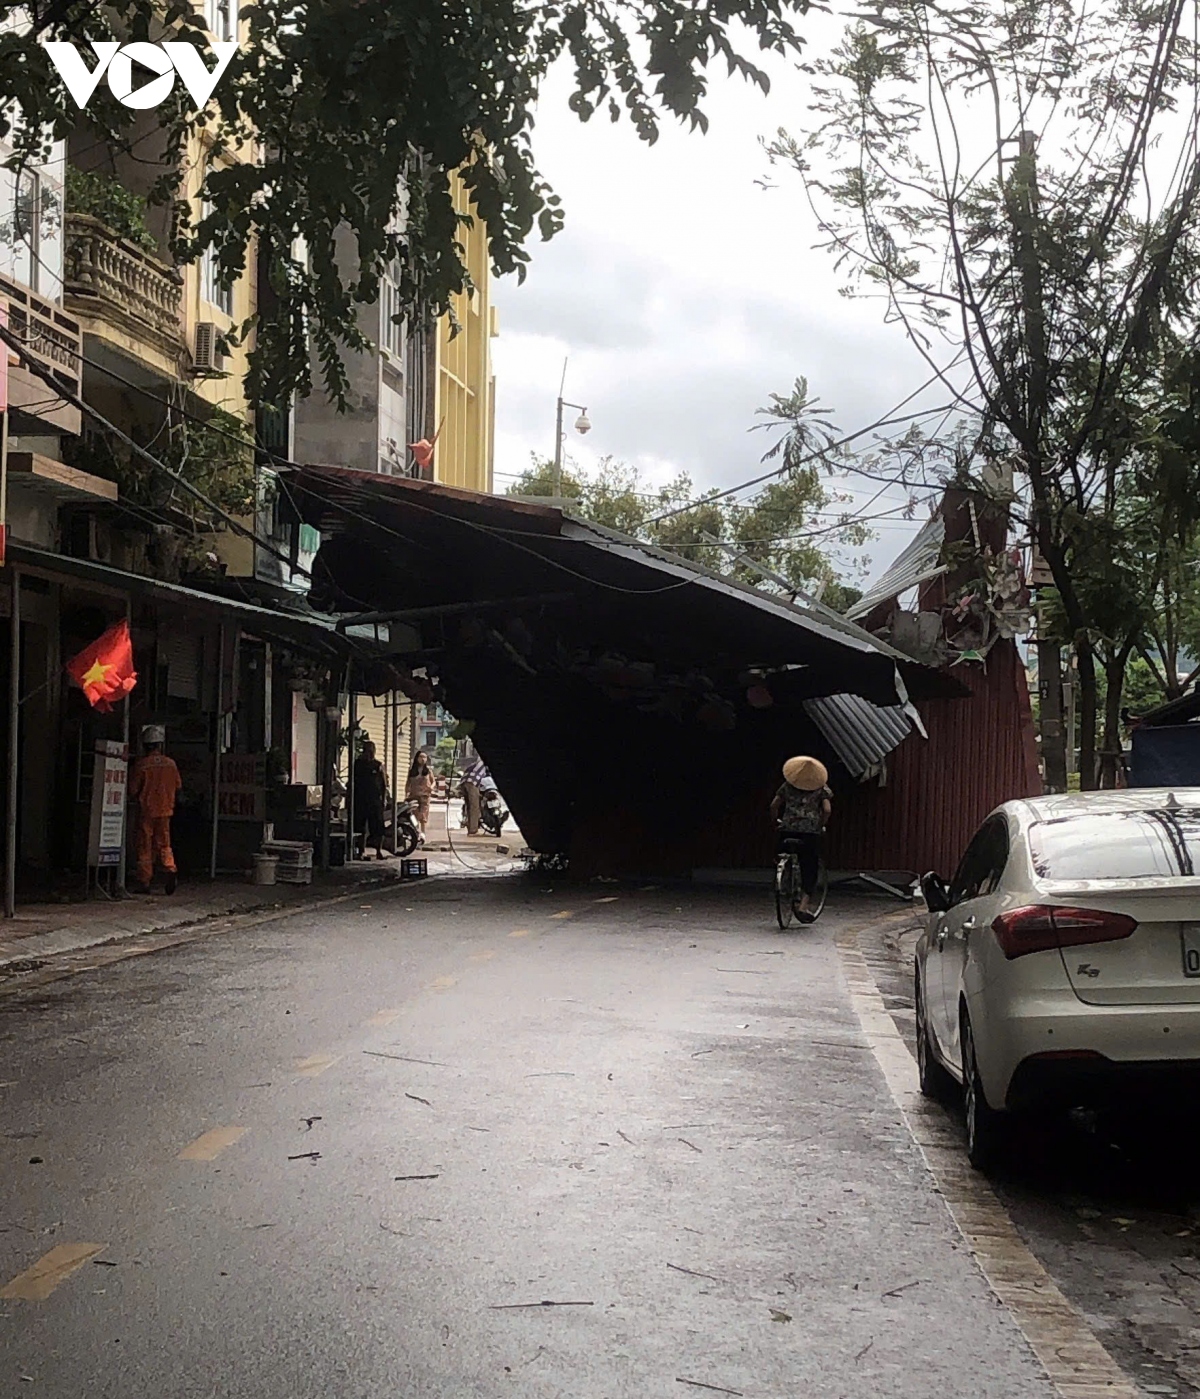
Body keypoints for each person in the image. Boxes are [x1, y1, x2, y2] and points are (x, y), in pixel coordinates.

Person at [769, 755, 832, 923]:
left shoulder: (787, 787)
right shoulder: (821, 788)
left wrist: (776, 821)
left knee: (781, 853)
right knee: (810, 866)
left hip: (788, 829)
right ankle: (803, 905)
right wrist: (820, 825)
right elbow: (826, 810)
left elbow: (773, 806)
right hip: (810, 832)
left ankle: (782, 875)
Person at [129, 724, 182, 895]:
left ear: (145, 746)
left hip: (147, 812)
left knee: (145, 846)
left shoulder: (142, 765)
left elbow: (133, 790)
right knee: (164, 844)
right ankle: (170, 868)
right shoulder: (171, 765)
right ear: (160, 745)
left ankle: (144, 881)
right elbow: (178, 786)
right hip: (166, 811)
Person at [352, 740, 388, 860]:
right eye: (367, 750)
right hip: (360, 799)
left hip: (375, 800)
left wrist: (384, 799)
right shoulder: (357, 764)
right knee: (359, 827)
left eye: (372, 751)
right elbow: (352, 782)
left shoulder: (378, 765)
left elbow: (384, 784)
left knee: (378, 827)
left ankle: (379, 851)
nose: (370, 753)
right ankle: (360, 851)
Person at [405, 750, 434, 845]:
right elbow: (408, 783)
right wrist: (406, 794)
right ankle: (416, 833)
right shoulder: (412, 771)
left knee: (423, 816)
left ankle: (423, 834)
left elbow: (433, 782)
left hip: (425, 796)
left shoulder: (428, 771)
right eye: (421, 757)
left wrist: (431, 788)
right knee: (415, 816)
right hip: (414, 795)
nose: (423, 759)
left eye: (425, 757)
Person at [459, 755, 489, 836]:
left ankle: (470, 827)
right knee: (474, 807)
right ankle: (473, 830)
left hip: (464, 782)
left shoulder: (475, 763)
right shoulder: (483, 764)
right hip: (472, 782)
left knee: (469, 806)